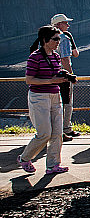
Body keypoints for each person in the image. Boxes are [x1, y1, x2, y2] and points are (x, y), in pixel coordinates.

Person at [17, 26, 70, 174]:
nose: (58, 42)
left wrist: (64, 75)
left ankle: (53, 165)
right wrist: (51, 80)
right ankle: (24, 158)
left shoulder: (56, 56)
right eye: (55, 39)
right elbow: (29, 80)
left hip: (55, 95)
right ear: (45, 40)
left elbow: (55, 74)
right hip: (39, 97)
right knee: (44, 133)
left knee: (57, 133)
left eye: (58, 39)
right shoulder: (35, 57)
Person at [51, 13, 81, 140]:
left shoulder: (47, 37)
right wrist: (71, 75)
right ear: (58, 25)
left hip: (50, 75)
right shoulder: (64, 38)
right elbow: (66, 59)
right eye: (65, 23)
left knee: (54, 103)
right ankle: (65, 129)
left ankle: (58, 129)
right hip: (62, 76)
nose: (68, 25)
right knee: (67, 102)